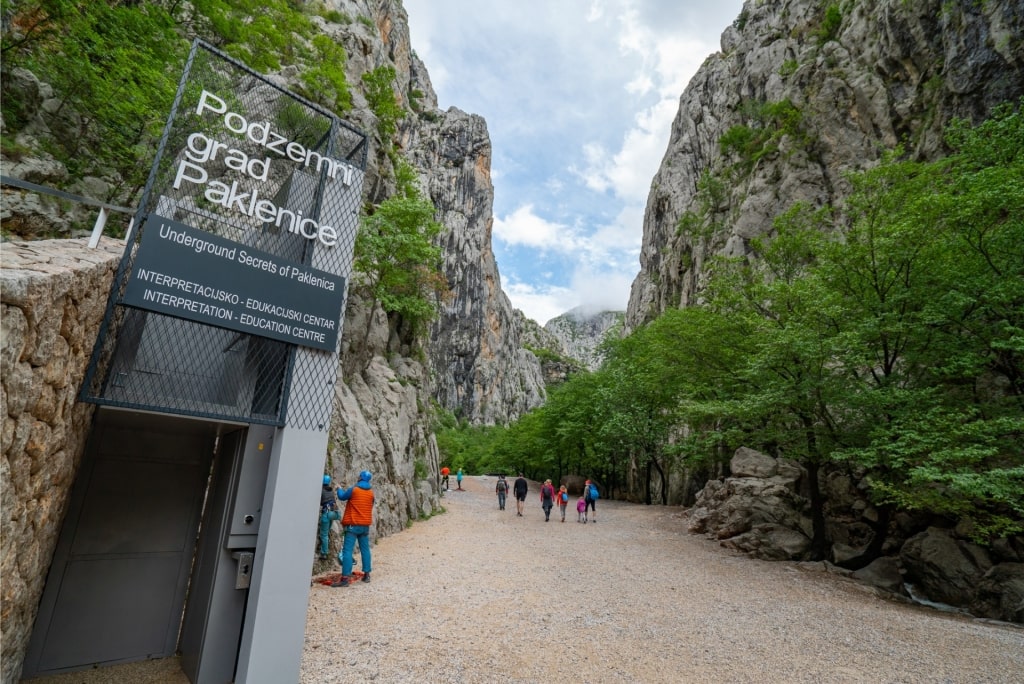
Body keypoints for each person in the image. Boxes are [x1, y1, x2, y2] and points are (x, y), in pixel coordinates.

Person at [332, 470, 375, 587]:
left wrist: (338, 488)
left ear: (360, 478)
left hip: (353, 525)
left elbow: (342, 497)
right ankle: (367, 574)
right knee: (365, 550)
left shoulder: (354, 490)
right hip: (365, 526)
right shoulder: (371, 493)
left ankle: (345, 578)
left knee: (347, 550)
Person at [318, 474, 340, 559]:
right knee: (326, 532)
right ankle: (326, 546)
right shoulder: (330, 491)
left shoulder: (321, 491)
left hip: (326, 513)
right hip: (334, 513)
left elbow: (320, 502)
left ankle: (324, 553)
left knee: (324, 535)